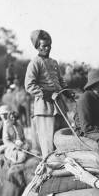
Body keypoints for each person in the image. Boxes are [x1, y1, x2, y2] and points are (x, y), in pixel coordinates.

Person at [24, 29, 74, 157]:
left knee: (64, 137)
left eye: (49, 45)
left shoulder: (54, 62)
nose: (47, 48)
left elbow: (60, 80)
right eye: (44, 46)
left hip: (60, 106)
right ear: (37, 47)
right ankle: (50, 169)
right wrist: (48, 94)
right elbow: (29, 85)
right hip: (45, 108)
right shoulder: (35, 63)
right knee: (49, 144)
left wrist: (68, 93)